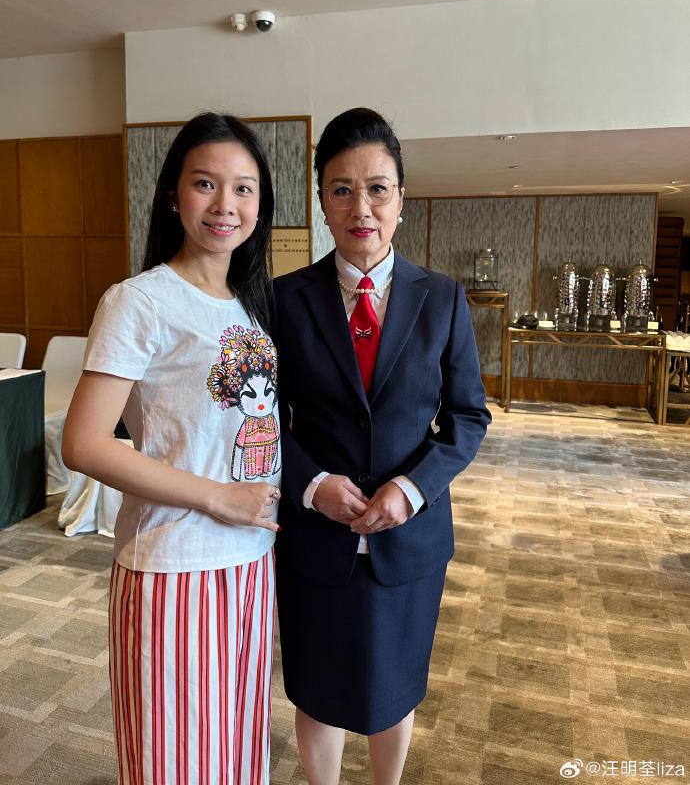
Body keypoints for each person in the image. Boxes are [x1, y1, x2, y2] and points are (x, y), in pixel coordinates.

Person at [273, 107, 491, 785]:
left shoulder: (443, 298)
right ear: (322, 201)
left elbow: (468, 417)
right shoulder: (283, 300)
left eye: (377, 189)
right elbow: (258, 421)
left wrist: (412, 488)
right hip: (316, 536)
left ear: (401, 197)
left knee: (396, 688)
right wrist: (312, 484)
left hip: (410, 539)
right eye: (341, 190)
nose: (360, 208)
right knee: (317, 688)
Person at [62, 112, 281, 785]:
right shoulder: (139, 302)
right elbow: (84, 443)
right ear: (173, 196)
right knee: (176, 765)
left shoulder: (250, 306)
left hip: (250, 562)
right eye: (205, 184)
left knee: (237, 756)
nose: (226, 204)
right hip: (175, 567)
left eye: (244, 188)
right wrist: (218, 497)